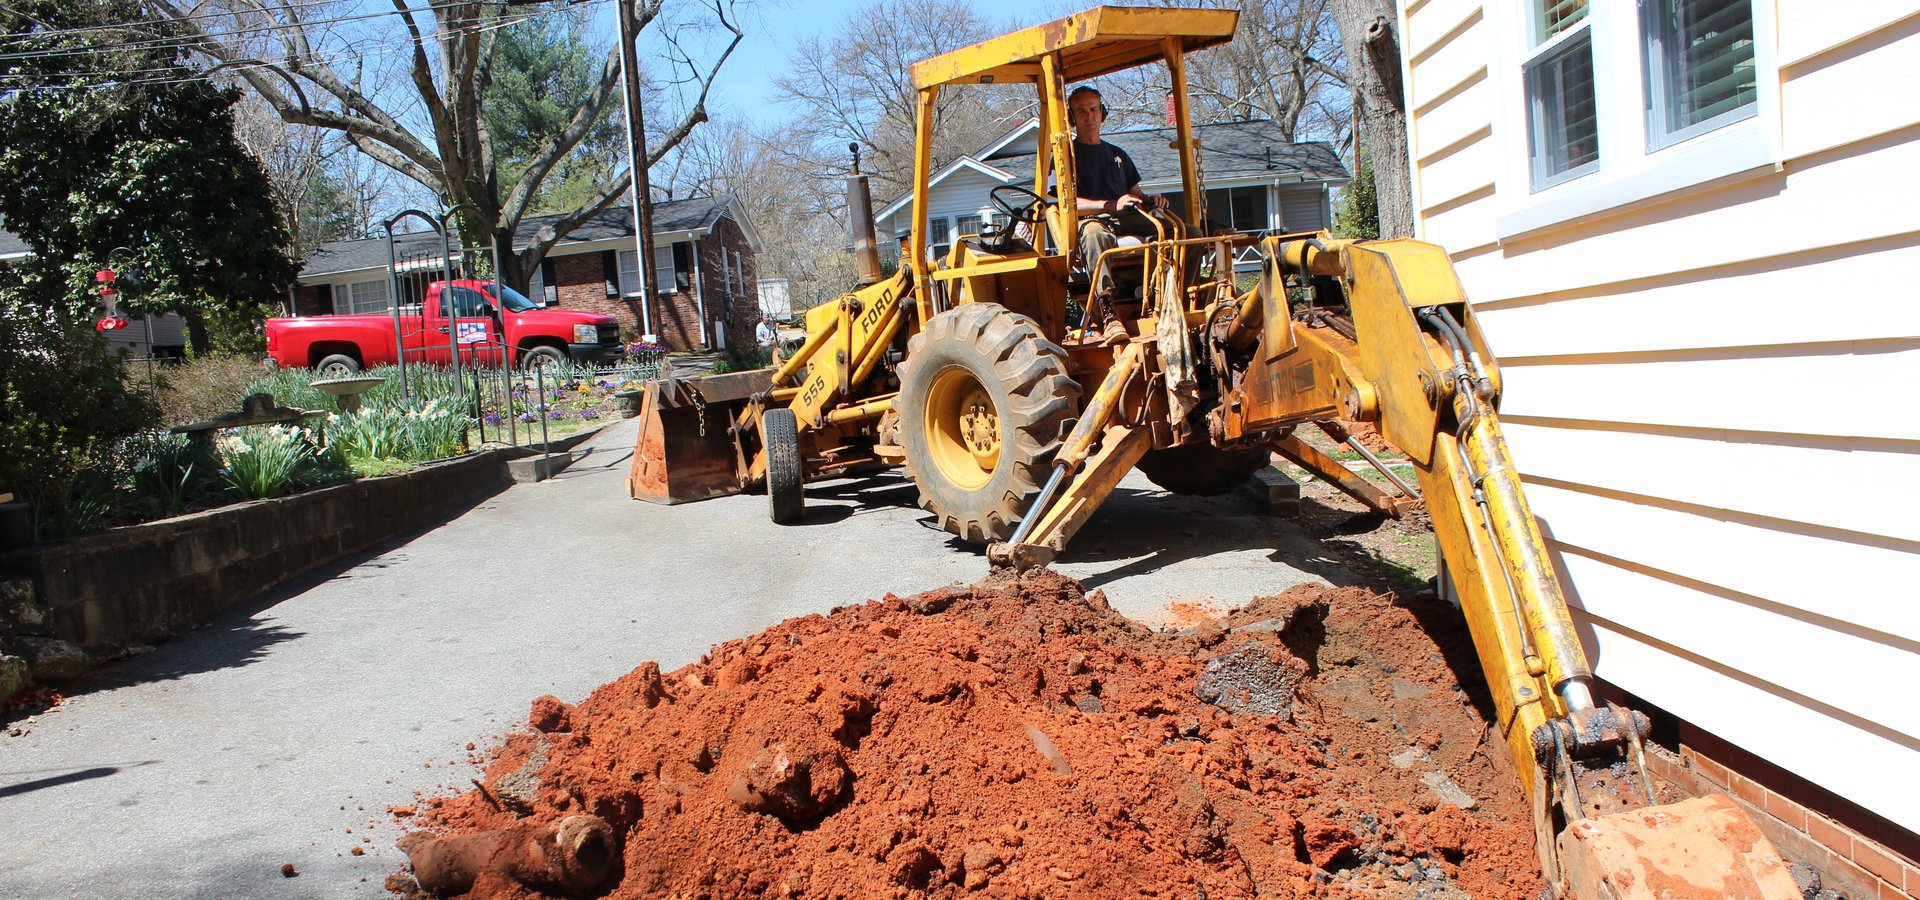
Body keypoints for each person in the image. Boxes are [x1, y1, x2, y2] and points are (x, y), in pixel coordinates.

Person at [1065, 85, 1166, 342]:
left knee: (1183, 231)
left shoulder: (1118, 155)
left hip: (1126, 219)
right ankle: (1109, 314)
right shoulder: (1066, 157)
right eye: (1081, 112)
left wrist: (1151, 201)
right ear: (1071, 117)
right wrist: (1110, 205)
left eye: (1094, 110)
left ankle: (1172, 298)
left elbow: (1136, 194)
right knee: (1093, 234)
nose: (1089, 117)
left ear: (1103, 113)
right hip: (1093, 221)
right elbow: (1067, 204)